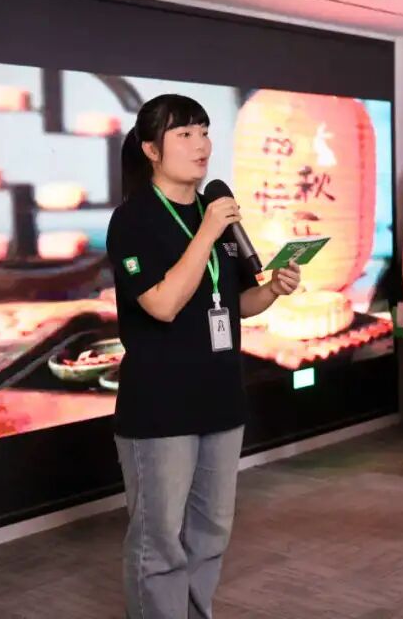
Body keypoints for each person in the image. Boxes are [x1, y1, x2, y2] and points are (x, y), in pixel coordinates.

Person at [106, 94, 302, 618]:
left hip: (221, 398)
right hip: (160, 407)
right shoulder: (134, 219)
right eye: (185, 134)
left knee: (211, 531)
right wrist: (207, 232)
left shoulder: (215, 211)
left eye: (205, 131)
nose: (202, 145)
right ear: (151, 149)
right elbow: (162, 304)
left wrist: (273, 288)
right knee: (159, 539)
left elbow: (237, 302)